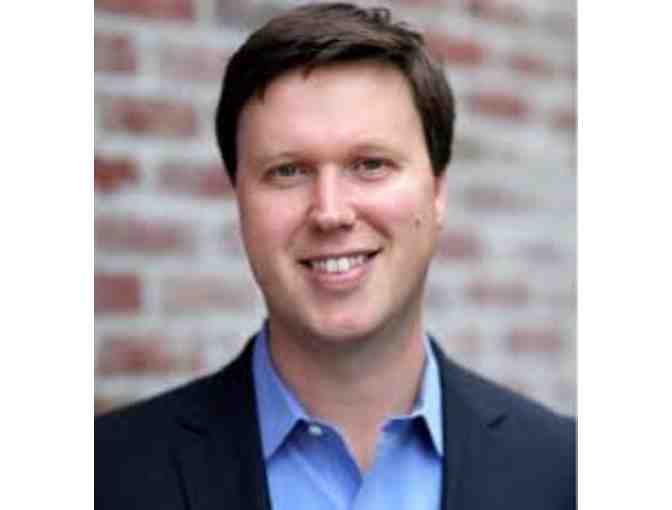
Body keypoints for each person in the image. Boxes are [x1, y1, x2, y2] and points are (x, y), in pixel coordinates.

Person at [95, 3, 576, 509]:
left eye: (370, 164)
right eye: (287, 171)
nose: (330, 212)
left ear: (437, 192)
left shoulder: (567, 473)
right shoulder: (105, 477)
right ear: (239, 201)